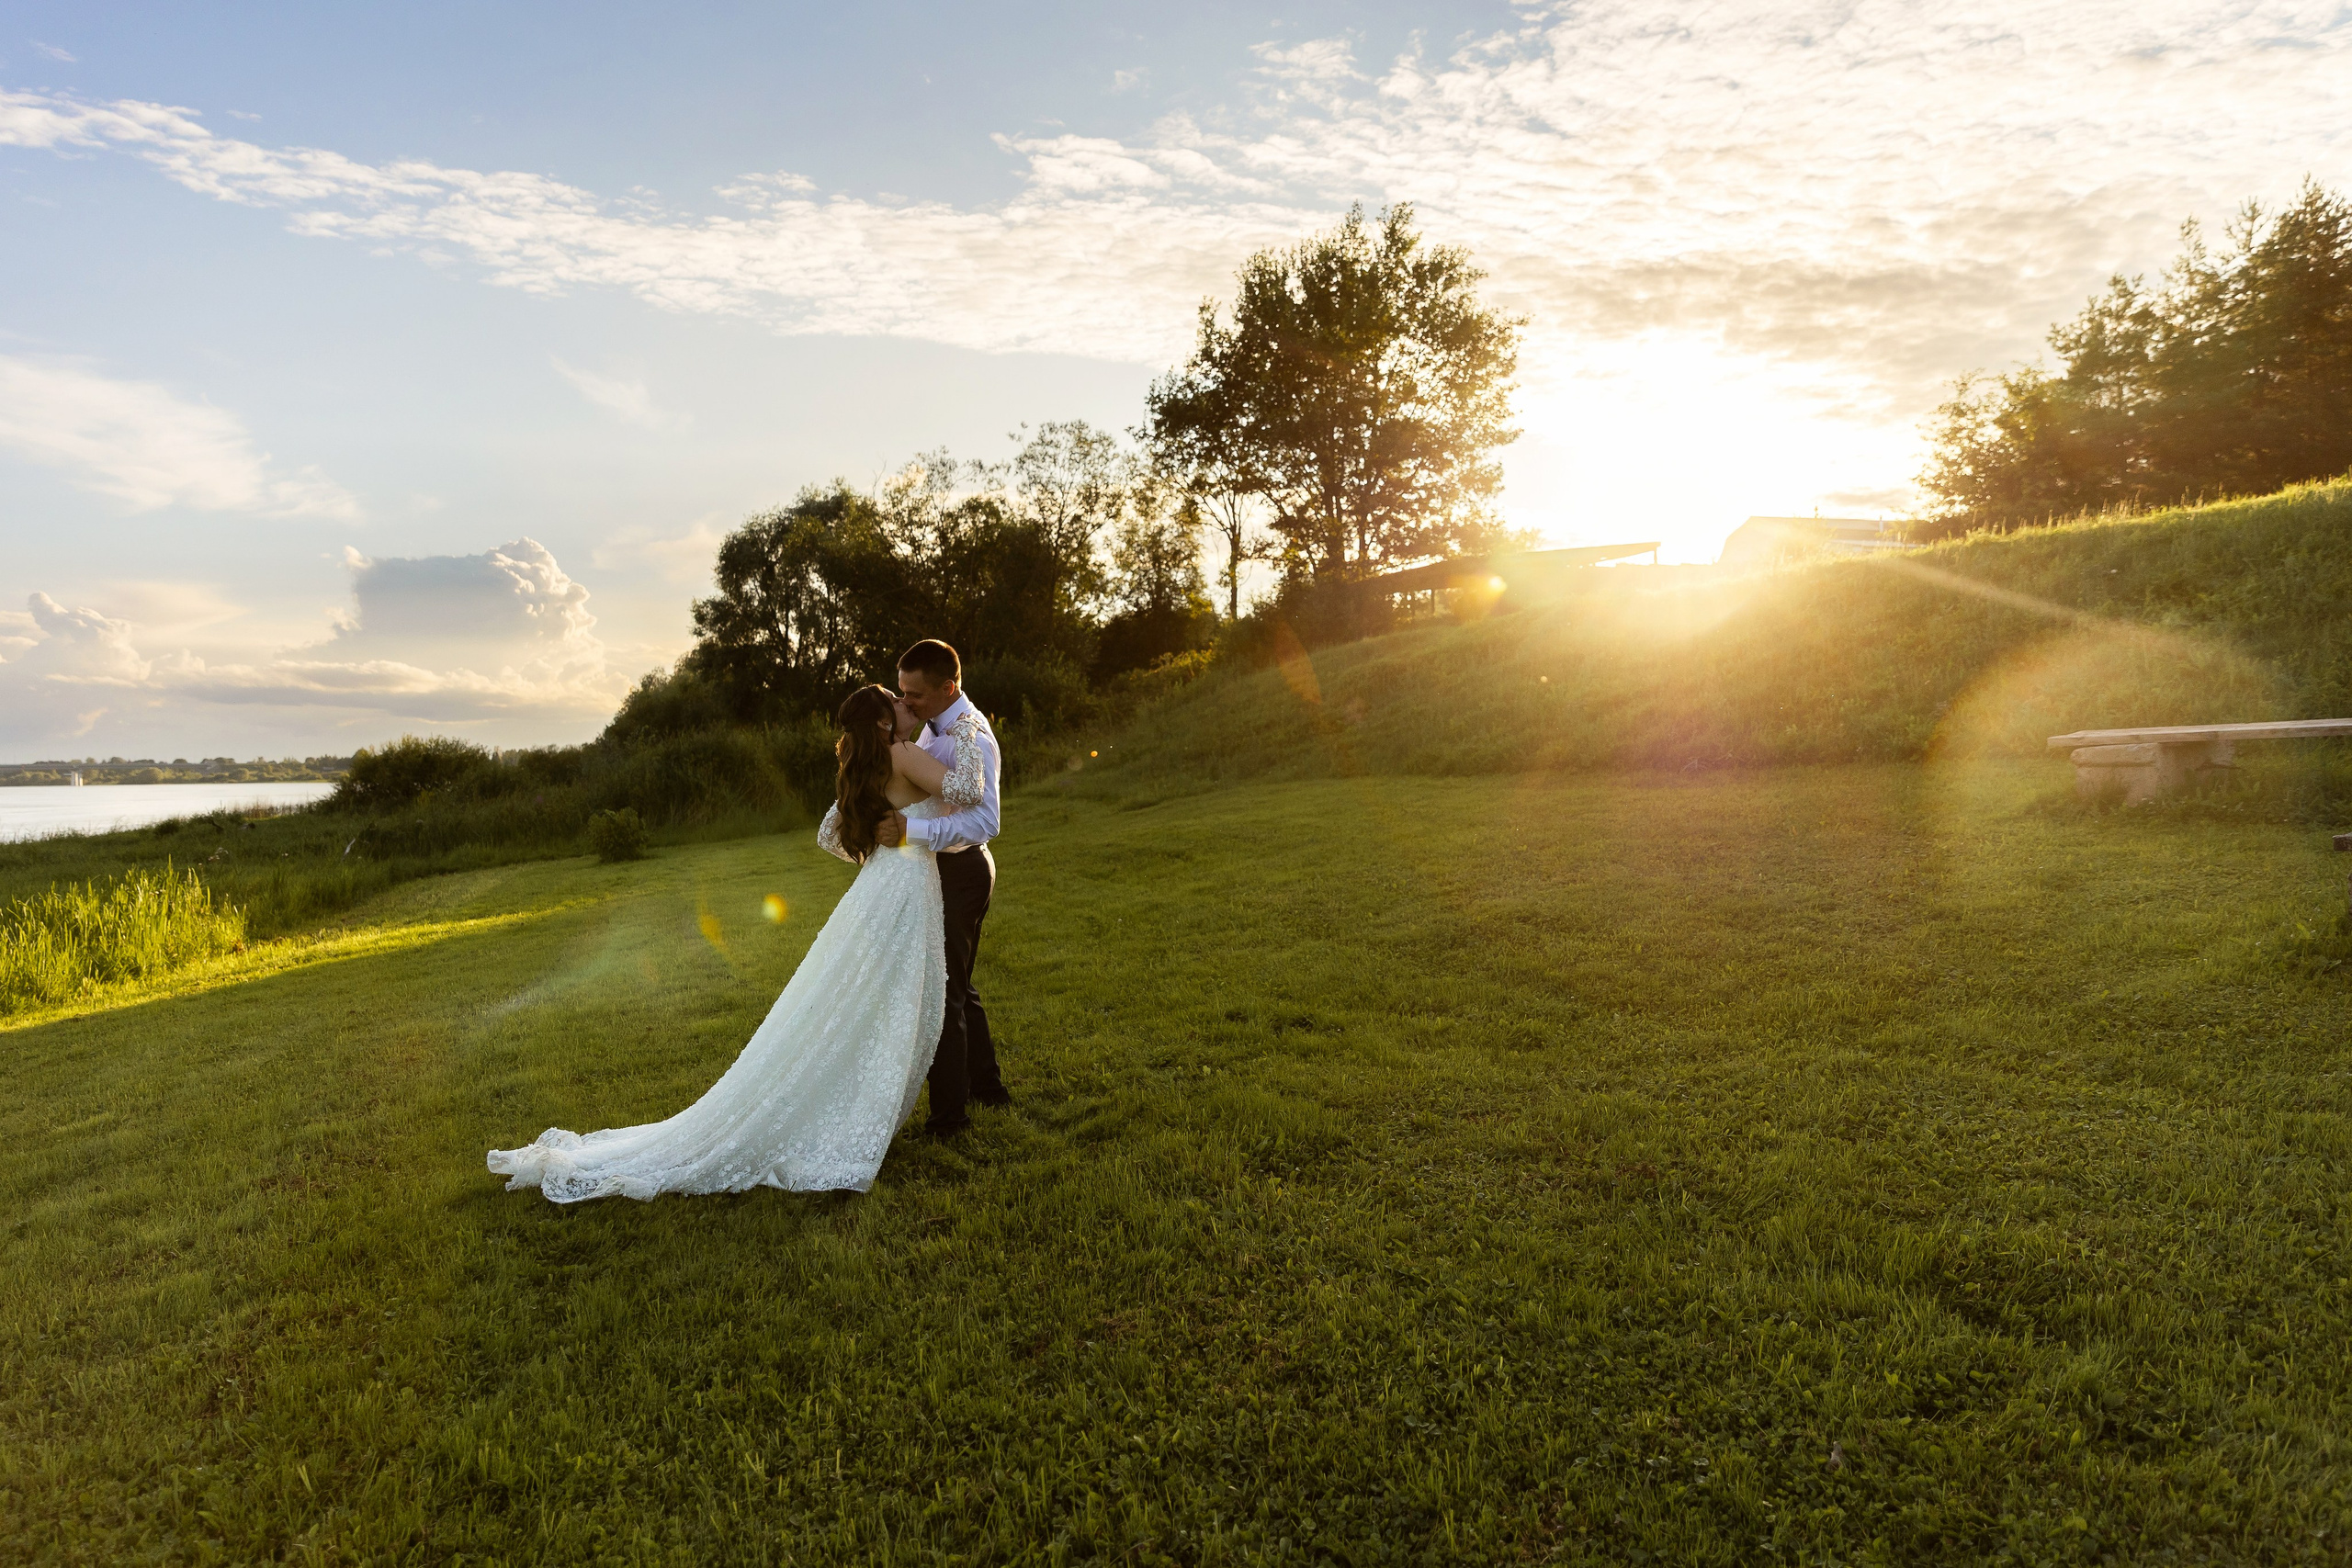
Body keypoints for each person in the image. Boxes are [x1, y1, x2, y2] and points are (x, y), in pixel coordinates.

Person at [484, 680, 974, 1201]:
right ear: (882, 722)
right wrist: (967, 731)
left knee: (863, 1001)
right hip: (903, 888)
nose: (906, 707)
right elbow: (967, 790)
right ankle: (854, 1114)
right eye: (897, 703)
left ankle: (853, 1102)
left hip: (882, 883)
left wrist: (876, 854)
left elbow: (829, 835)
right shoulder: (901, 754)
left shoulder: (865, 763)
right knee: (892, 1000)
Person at [862, 637, 1009, 1135]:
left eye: (914, 696)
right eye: (900, 693)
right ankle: (988, 1088)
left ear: (949, 688)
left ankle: (951, 1119)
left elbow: (984, 820)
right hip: (940, 869)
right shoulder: (928, 731)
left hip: (963, 870)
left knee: (944, 992)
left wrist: (911, 833)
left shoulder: (969, 736)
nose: (904, 704)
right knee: (960, 988)